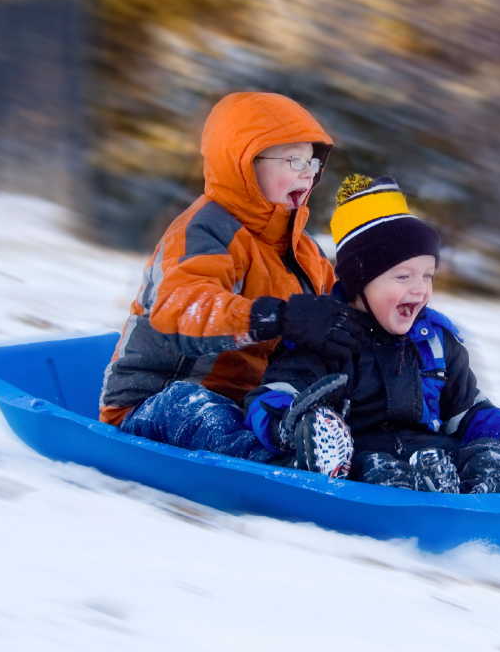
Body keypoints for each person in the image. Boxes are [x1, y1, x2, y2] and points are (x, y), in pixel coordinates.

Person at [244, 175, 500, 493]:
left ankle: (495, 485)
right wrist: (292, 427)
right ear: (360, 282)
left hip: (431, 453)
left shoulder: (436, 340)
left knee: (492, 459)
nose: (420, 289)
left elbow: (466, 411)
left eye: (428, 275)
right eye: (404, 277)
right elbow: (274, 394)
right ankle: (414, 487)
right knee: (375, 469)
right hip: (355, 458)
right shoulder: (325, 337)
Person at [99, 92, 365, 462]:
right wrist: (277, 318)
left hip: (251, 408)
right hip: (155, 402)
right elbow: (181, 309)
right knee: (193, 409)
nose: (308, 172)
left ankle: (350, 457)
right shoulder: (204, 231)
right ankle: (286, 465)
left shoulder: (307, 255)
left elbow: (339, 317)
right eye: (293, 160)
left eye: (312, 162)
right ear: (243, 163)